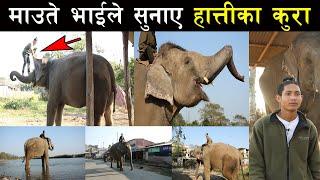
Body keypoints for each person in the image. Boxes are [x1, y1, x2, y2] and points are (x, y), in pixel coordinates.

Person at [250, 77, 320, 180]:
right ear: (278, 98)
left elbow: (316, 165)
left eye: (297, 94)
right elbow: (255, 164)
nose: (293, 98)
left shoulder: (309, 128)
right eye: (288, 94)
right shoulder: (262, 126)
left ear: (301, 98)